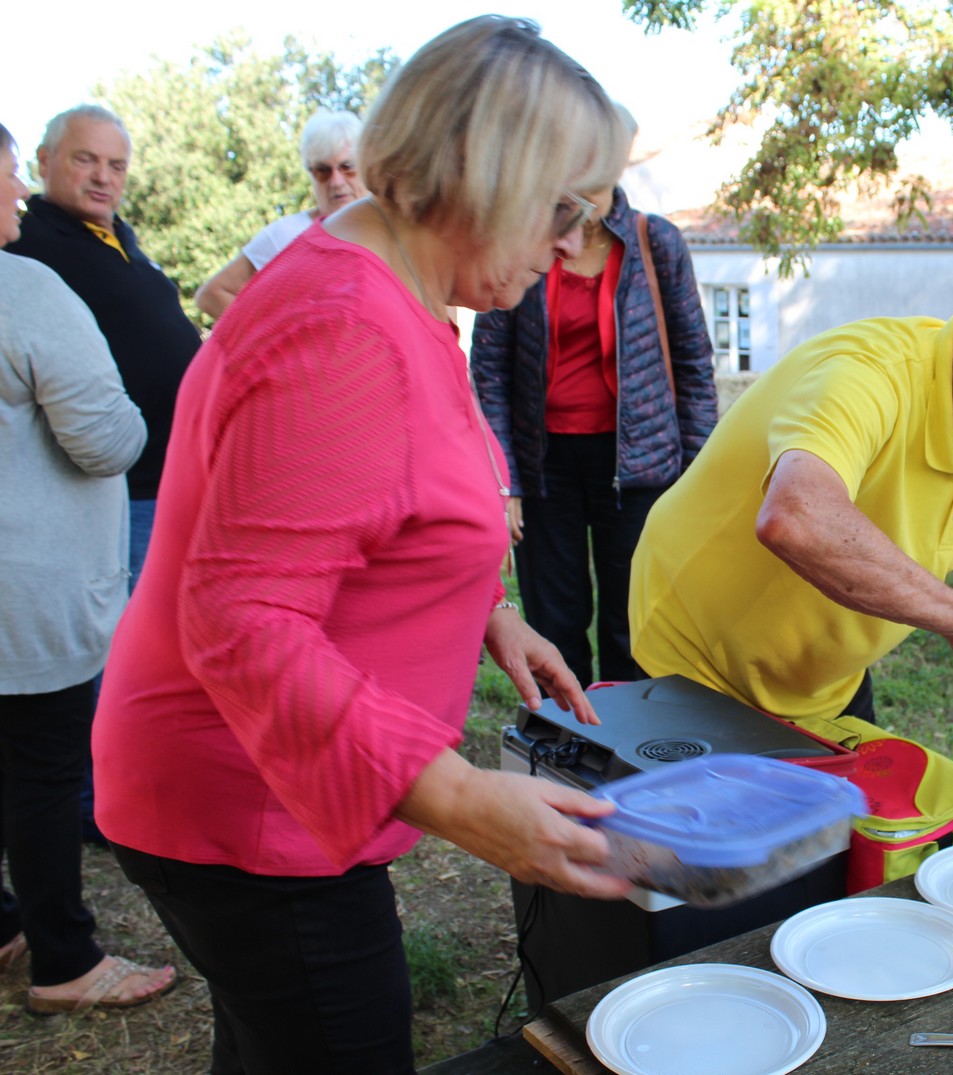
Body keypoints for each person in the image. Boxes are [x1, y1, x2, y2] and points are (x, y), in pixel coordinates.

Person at [92, 19, 635, 1071]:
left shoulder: (398, 293)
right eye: (563, 207)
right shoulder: (343, 324)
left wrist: (487, 608)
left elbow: (368, 507)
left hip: (266, 788)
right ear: (481, 176)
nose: (572, 243)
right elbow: (243, 620)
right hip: (243, 804)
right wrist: (465, 799)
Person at [629, 271, 953, 764]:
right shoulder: (867, 373)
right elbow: (797, 517)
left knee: (843, 835)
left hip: (823, 689)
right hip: (692, 663)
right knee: (699, 837)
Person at [0, 122, 170, 1013]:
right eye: (6, 176)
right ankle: (64, 959)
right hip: (28, 588)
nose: (15, 197)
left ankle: (2, 920)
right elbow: (105, 438)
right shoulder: (25, 282)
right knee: (41, 769)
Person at [470, 105, 717, 689]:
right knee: (556, 619)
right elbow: (490, 371)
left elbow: (692, 362)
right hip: (544, 462)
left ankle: (632, 752)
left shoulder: (655, 242)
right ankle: (567, 745)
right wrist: (505, 481)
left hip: (640, 467)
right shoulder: (523, 236)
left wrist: (701, 472)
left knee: (636, 624)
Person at [9, 105, 201, 591]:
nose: (103, 178)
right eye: (86, 160)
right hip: (114, 493)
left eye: (116, 166)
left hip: (176, 482)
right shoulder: (25, 245)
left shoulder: (120, 237)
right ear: (44, 161)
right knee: (117, 649)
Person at [195, 110, 367, 320]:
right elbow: (213, 294)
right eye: (323, 170)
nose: (336, 181)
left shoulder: (392, 232)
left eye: (347, 167)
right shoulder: (286, 234)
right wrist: (275, 344)